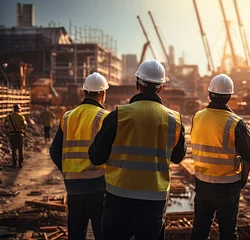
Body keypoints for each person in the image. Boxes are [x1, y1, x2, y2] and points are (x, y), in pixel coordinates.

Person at [89, 59, 187, 240]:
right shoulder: (174, 120)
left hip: (118, 200)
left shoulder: (117, 116)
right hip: (154, 202)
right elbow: (178, 157)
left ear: (136, 84)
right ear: (160, 88)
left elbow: (96, 157)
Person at [190, 74, 250, 240]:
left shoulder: (197, 117)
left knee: (199, 232)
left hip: (202, 185)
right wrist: (243, 178)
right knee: (228, 233)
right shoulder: (235, 122)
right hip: (227, 188)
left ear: (209, 94)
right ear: (229, 96)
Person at [50, 72, 109, 240]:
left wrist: (68, 171)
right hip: (98, 186)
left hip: (73, 187)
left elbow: (54, 151)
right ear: (103, 94)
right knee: (102, 233)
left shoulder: (67, 117)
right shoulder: (105, 117)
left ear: (83, 92)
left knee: (75, 234)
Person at [5, 104, 27, 168]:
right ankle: (20, 163)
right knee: (20, 149)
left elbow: (6, 126)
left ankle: (14, 163)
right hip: (20, 135)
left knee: (13, 149)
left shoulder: (8, 117)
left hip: (12, 135)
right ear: (18, 109)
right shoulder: (21, 117)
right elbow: (25, 126)